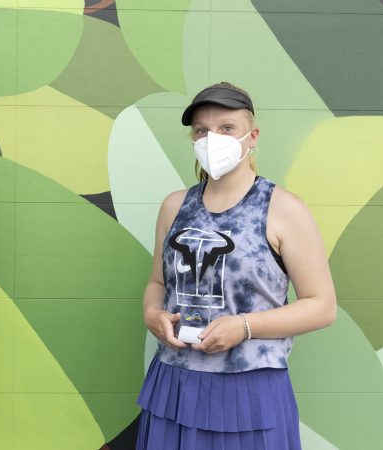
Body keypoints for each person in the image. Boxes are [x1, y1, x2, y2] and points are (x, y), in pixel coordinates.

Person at [136, 82, 336, 449]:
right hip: (174, 386)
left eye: (226, 128)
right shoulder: (174, 206)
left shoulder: (283, 209)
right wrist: (152, 313)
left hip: (250, 392)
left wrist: (244, 327)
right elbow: (158, 284)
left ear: (252, 136)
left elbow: (321, 306)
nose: (213, 139)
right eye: (202, 130)